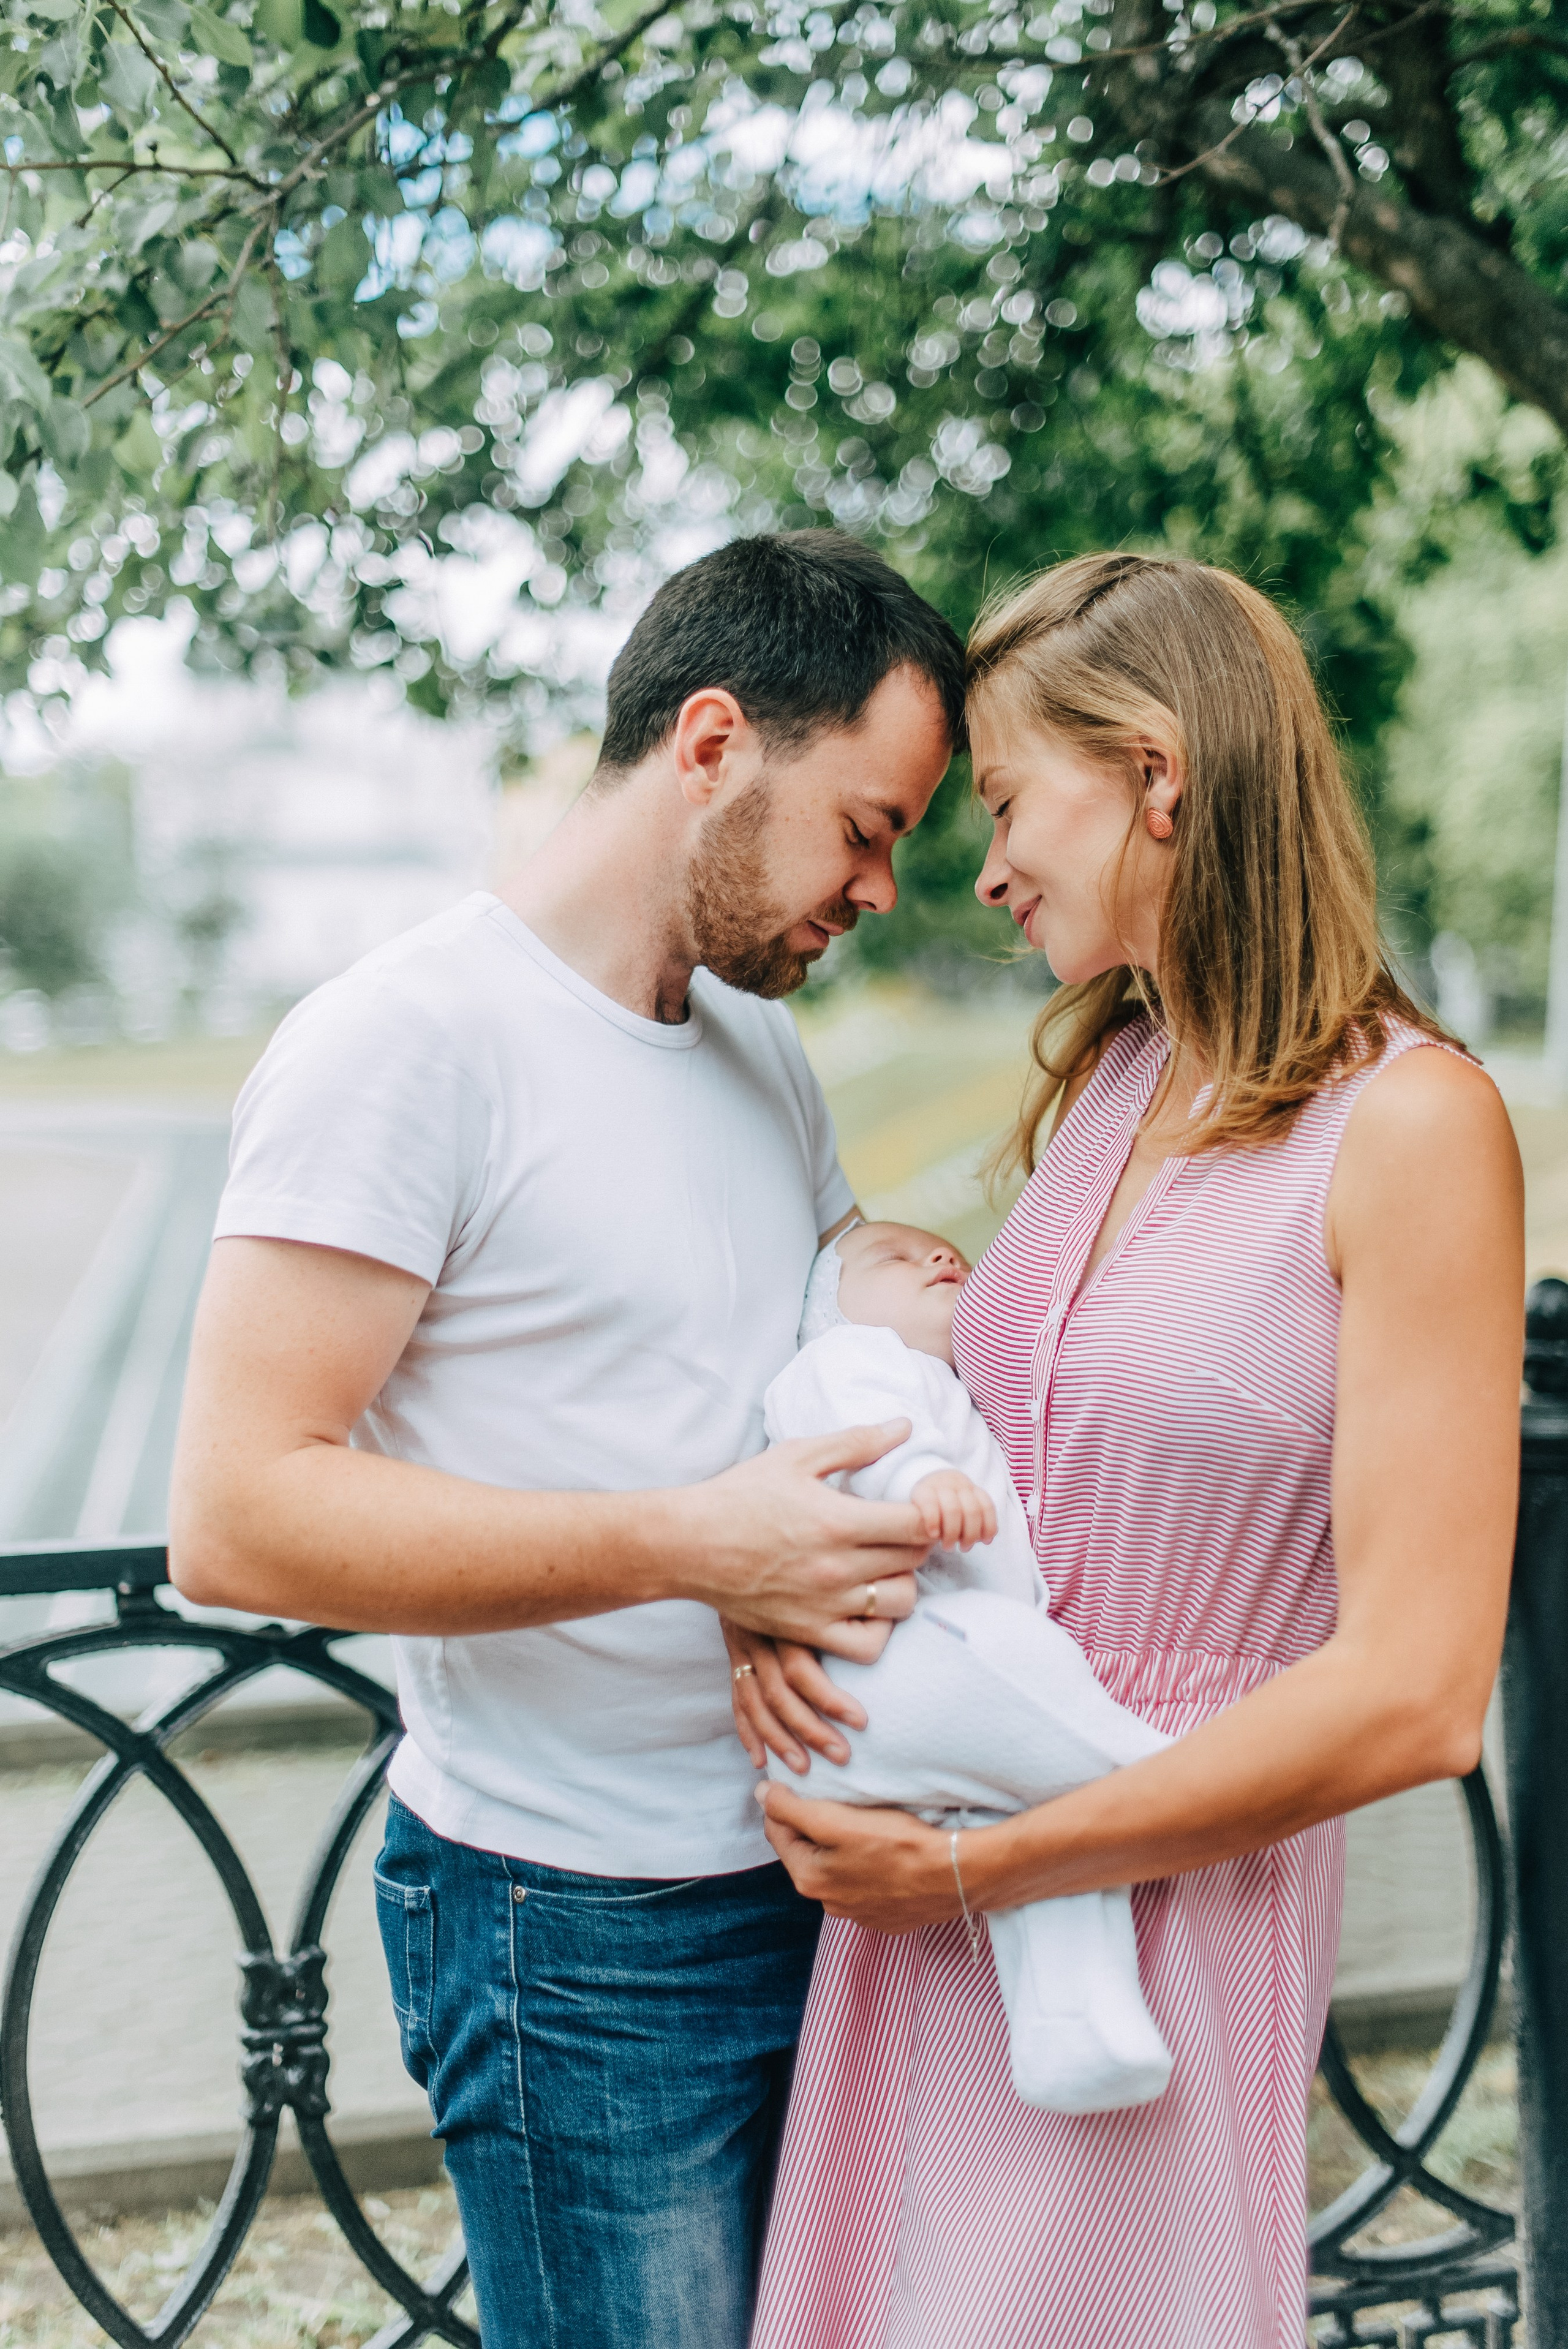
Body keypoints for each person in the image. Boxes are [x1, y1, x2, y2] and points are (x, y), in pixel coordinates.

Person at [165, 531, 966, 2349]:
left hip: (825, 1886)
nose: (885, 888)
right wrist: (703, 1543)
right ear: (710, 743)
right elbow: (234, 1514)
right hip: (580, 1933)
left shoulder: (758, 1050)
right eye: (865, 824)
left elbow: (778, 1327)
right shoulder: (404, 1043)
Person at [737, 552, 1523, 2349]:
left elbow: (1419, 1693)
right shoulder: (1112, 1078)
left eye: (1011, 799)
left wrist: (990, 1866)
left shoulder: (1416, 1126)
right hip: (921, 1910)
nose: (987, 860)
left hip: (1154, 1915)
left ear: (1159, 772)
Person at [756, 1215, 1173, 2114]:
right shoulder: (844, 1359)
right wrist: (919, 1479)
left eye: (949, 1251)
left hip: (946, 1692)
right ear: (826, 1306)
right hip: (895, 1665)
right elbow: (859, 1435)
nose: (939, 1256)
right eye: (892, 1257)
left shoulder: (942, 1382)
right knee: (1018, 1658)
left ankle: (1082, 2034)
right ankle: (1166, 1780)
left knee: (1049, 1857)